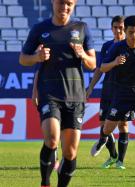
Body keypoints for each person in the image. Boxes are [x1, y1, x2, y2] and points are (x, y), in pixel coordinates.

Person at [19, 0, 96, 186]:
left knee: (70, 152)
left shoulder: (82, 28)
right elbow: (23, 59)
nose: (65, 7)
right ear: (53, 2)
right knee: (52, 139)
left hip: (75, 96)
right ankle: (45, 183)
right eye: (61, 2)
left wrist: (82, 55)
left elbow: (93, 63)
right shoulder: (40, 29)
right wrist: (37, 57)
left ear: (74, 4)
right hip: (50, 94)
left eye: (69, 3)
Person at [91, 15, 135, 177]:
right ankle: (103, 140)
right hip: (121, 94)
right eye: (130, 32)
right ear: (126, 31)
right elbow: (103, 67)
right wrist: (115, 62)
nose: (133, 36)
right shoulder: (117, 47)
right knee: (107, 128)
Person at [87, 16, 134, 170]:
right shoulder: (107, 46)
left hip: (123, 92)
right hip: (108, 91)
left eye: (121, 28)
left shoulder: (129, 46)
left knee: (122, 124)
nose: (118, 30)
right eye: (115, 27)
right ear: (112, 28)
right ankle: (113, 155)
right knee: (103, 125)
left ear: (125, 29)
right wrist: (90, 88)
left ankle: (120, 160)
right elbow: (100, 69)